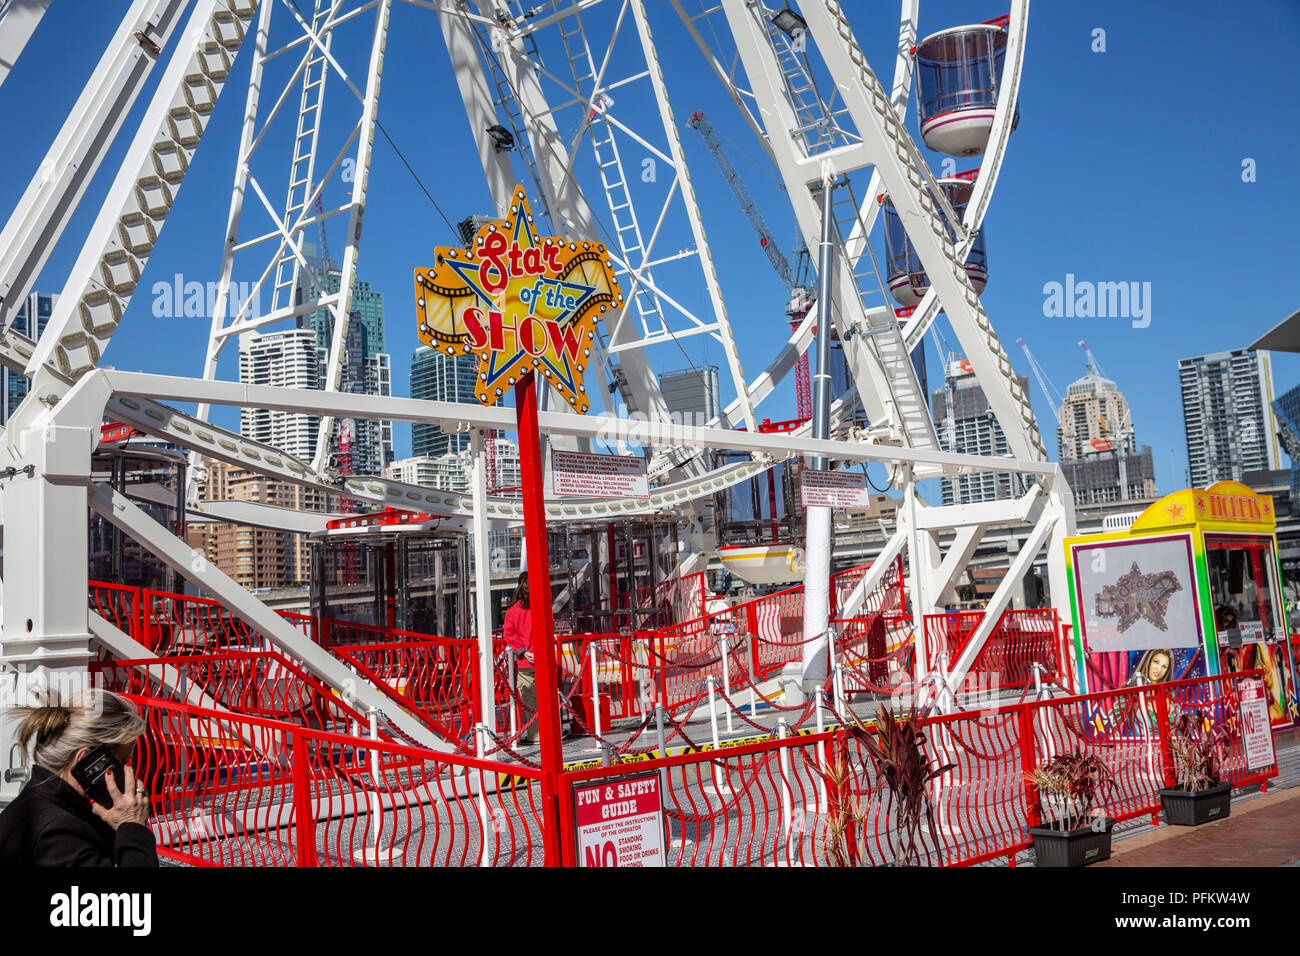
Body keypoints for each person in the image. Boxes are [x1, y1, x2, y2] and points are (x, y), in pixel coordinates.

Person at [0, 689, 157, 866]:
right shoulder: (60, 836)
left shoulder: (40, 801)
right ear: (86, 761)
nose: (126, 773)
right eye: (120, 763)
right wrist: (133, 826)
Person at [503, 572, 538, 744]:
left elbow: (508, 635)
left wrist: (523, 651)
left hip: (525, 661)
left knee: (530, 702)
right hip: (543, 659)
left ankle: (536, 736)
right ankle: (551, 734)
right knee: (549, 700)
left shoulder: (512, 611)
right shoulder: (540, 607)